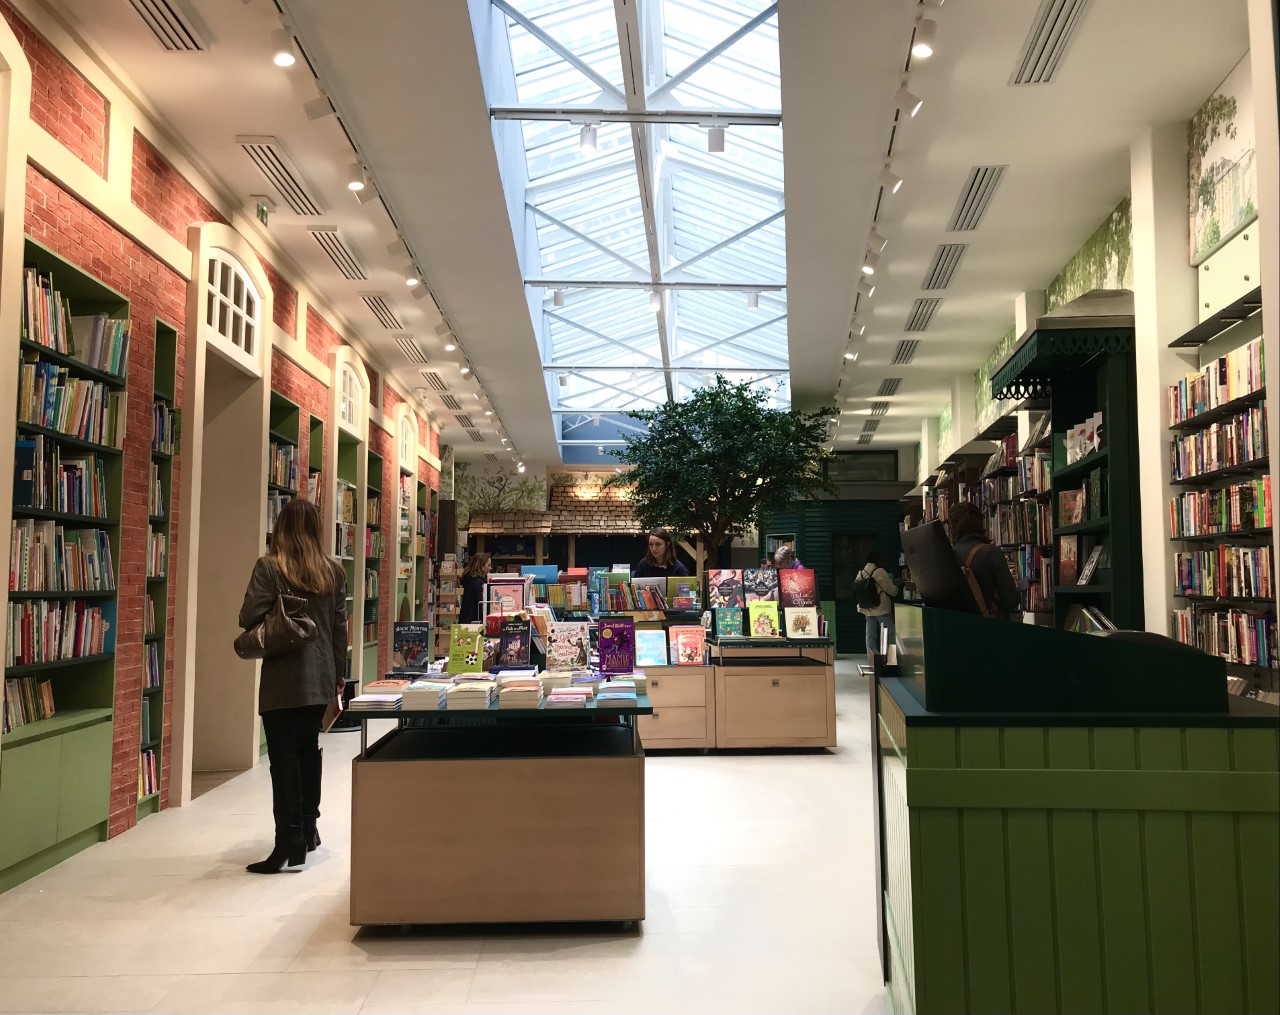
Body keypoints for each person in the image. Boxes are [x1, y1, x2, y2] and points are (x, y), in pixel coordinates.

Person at [237, 498, 346, 874]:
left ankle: (288, 839)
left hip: (283, 675)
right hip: (320, 675)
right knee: (307, 751)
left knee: (282, 758)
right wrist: (338, 676)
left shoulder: (269, 567)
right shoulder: (332, 572)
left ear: (281, 527)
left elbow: (248, 616)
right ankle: (309, 828)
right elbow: (338, 630)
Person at [948, 501, 1021, 619]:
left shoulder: (948, 555)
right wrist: (1018, 588)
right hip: (991, 629)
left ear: (953, 527)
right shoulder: (991, 553)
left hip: (959, 627)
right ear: (980, 523)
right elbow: (1011, 600)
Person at [856, 549, 898, 657]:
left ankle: (873, 661)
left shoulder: (861, 573)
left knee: (870, 636)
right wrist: (897, 586)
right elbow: (892, 591)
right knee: (889, 635)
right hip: (881, 609)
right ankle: (891, 660)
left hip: (868, 609)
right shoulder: (880, 572)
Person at [459, 551, 492, 623]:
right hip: (475, 623)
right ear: (481, 566)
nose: (490, 568)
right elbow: (481, 607)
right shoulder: (478, 583)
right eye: (488, 565)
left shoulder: (470, 580)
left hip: (466, 620)